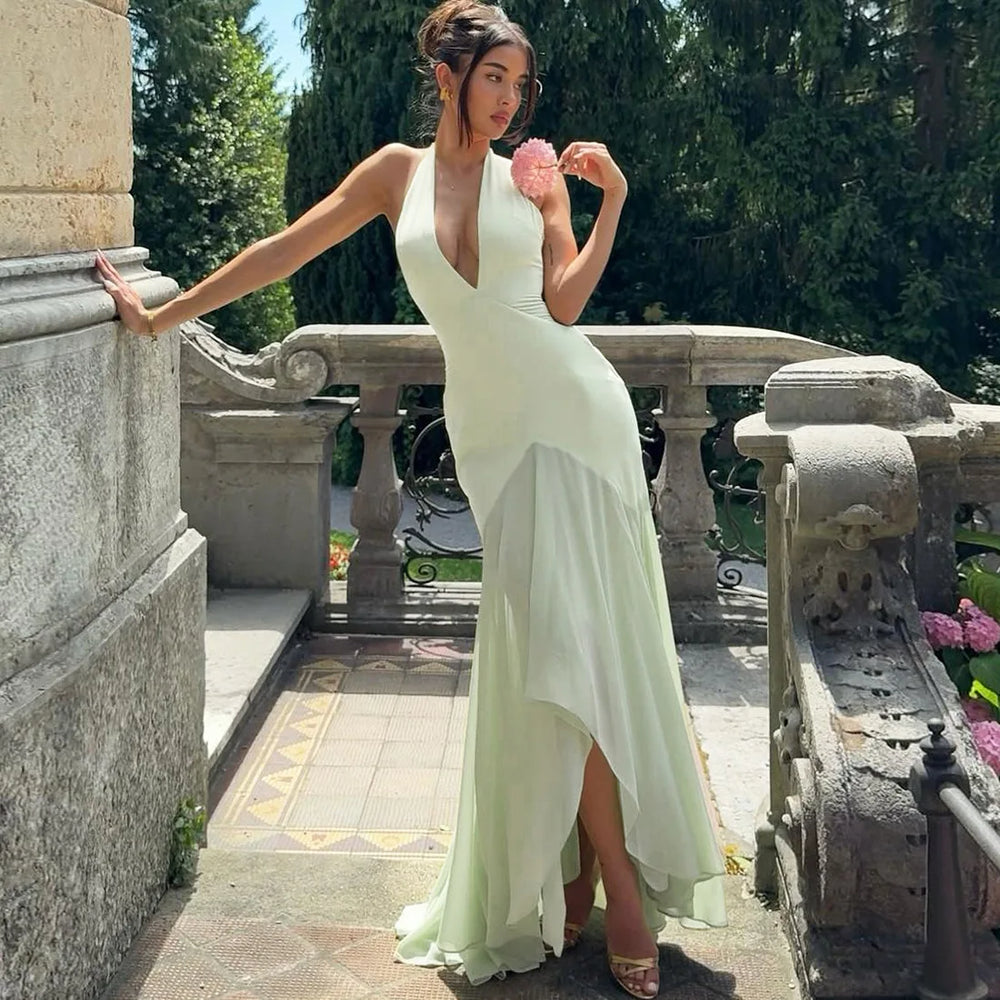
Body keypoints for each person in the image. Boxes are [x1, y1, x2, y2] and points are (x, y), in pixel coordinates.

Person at [96, 2, 727, 995]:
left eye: (519, 85)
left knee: (586, 652)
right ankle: (567, 869)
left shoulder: (537, 176)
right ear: (449, 75)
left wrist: (608, 204)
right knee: (552, 651)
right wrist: (162, 316)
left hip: (581, 421)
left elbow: (562, 304)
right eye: (494, 78)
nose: (509, 100)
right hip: (497, 442)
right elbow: (284, 251)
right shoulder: (397, 173)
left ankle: (613, 882)